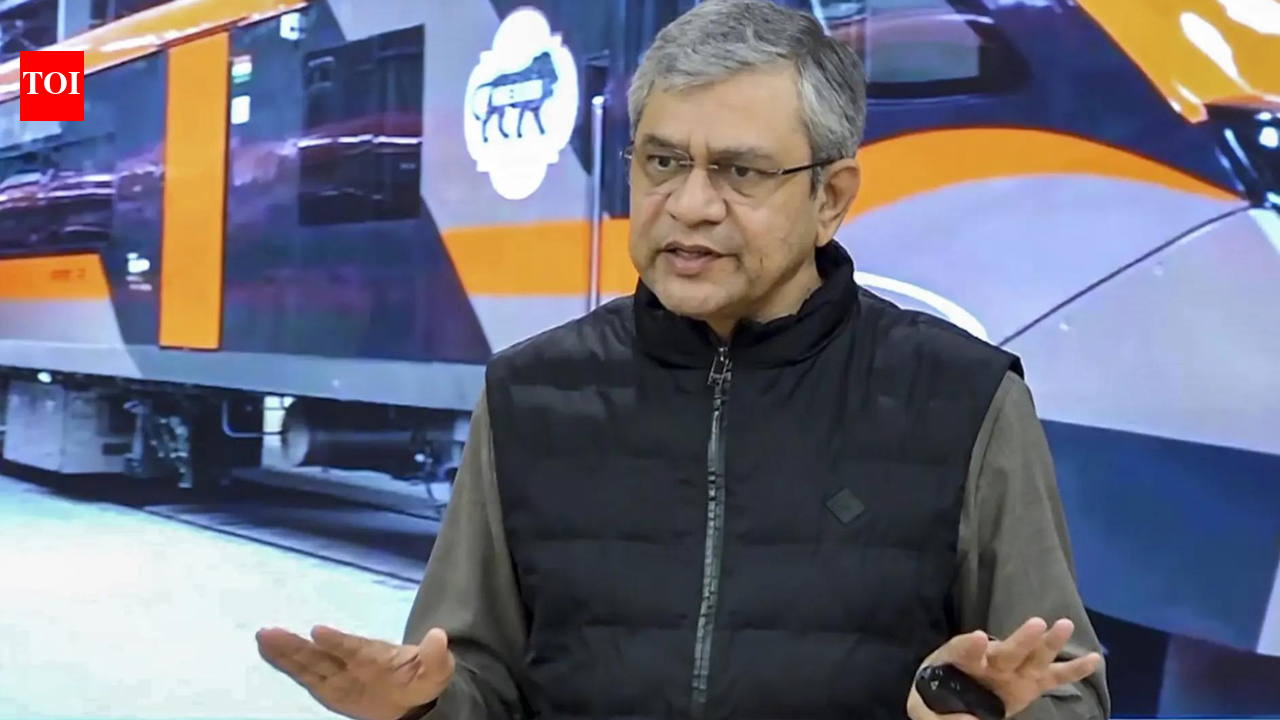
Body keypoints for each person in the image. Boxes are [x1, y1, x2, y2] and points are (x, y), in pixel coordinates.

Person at [255, 1, 1110, 718]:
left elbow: (1065, 695)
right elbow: (473, 676)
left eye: (740, 172)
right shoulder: (529, 394)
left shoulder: (964, 401)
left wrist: (969, 709)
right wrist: (420, 707)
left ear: (831, 198)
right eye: (663, 162)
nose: (690, 204)